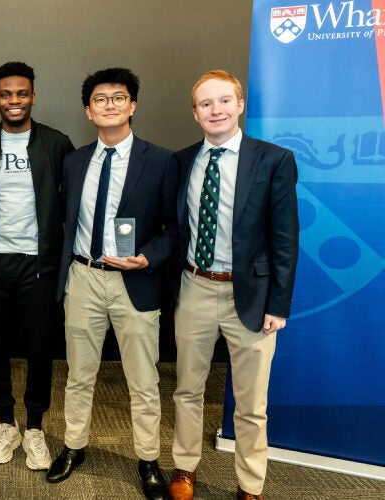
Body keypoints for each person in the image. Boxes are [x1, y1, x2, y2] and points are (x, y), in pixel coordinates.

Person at [46, 68, 178, 500]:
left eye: (118, 97)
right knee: (78, 375)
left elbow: (175, 229)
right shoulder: (75, 160)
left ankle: (148, 459)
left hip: (134, 281)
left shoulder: (160, 160)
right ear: (89, 110)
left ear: (133, 106)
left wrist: (148, 257)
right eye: (100, 99)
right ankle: (74, 446)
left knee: (143, 380)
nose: (109, 105)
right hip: (84, 276)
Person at [168, 70, 299, 500]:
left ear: (240, 105)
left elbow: (285, 238)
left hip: (254, 296)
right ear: (195, 113)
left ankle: (250, 485)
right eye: (206, 104)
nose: (216, 110)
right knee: (187, 388)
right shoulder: (182, 159)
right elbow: (177, 227)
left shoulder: (273, 159)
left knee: (251, 403)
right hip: (194, 288)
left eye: (224, 101)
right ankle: (184, 468)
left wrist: (278, 303)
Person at [0, 61, 74, 470]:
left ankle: (33, 427)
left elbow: (70, 201)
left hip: (39, 264)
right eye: (7, 94)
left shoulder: (56, 142)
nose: (15, 101)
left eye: (22, 93)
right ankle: (6, 421)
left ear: (33, 96)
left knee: (39, 348)